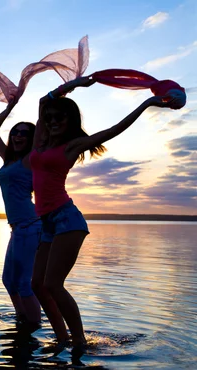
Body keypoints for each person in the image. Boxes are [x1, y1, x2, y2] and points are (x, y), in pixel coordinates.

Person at [30, 76, 174, 356]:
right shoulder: (41, 141)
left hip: (67, 220)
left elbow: (114, 129)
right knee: (37, 284)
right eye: (49, 118)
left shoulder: (72, 145)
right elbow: (42, 102)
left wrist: (148, 103)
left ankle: (79, 341)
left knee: (52, 284)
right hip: (47, 222)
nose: (52, 121)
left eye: (60, 117)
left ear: (70, 120)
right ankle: (62, 338)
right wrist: (73, 85)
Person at [0, 96, 42, 331]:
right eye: (16, 132)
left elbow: (42, 134)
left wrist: (46, 102)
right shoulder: (9, 159)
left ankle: (34, 326)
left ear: (32, 139)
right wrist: (10, 107)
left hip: (31, 226)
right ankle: (23, 322)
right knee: (9, 281)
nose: (18, 136)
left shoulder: (32, 159)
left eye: (24, 133)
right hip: (17, 228)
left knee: (23, 283)